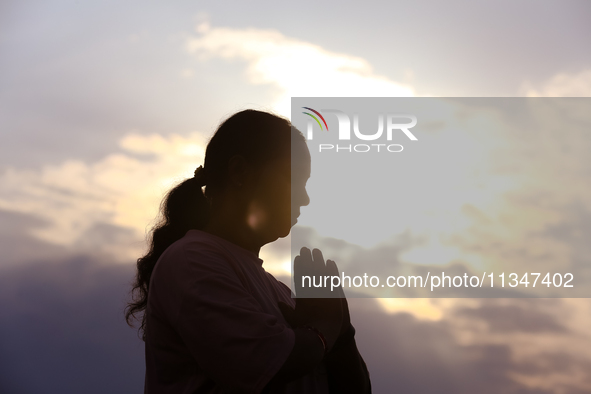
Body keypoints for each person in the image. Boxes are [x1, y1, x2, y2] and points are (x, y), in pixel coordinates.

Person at [125, 110, 371, 393]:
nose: (304, 198)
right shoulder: (190, 261)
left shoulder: (278, 292)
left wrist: (342, 330)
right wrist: (326, 325)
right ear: (240, 173)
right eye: (293, 179)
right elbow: (266, 363)